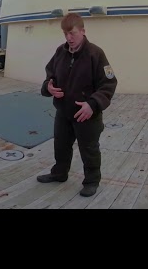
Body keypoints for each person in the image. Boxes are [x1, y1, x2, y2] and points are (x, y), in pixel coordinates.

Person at [37, 12, 118, 197]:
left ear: (83, 31)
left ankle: (91, 181)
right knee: (61, 145)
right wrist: (48, 87)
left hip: (87, 115)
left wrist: (93, 104)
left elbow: (109, 84)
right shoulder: (60, 52)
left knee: (89, 150)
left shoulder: (95, 54)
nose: (68, 38)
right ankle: (59, 173)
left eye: (72, 33)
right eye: (65, 34)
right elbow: (50, 75)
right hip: (63, 112)